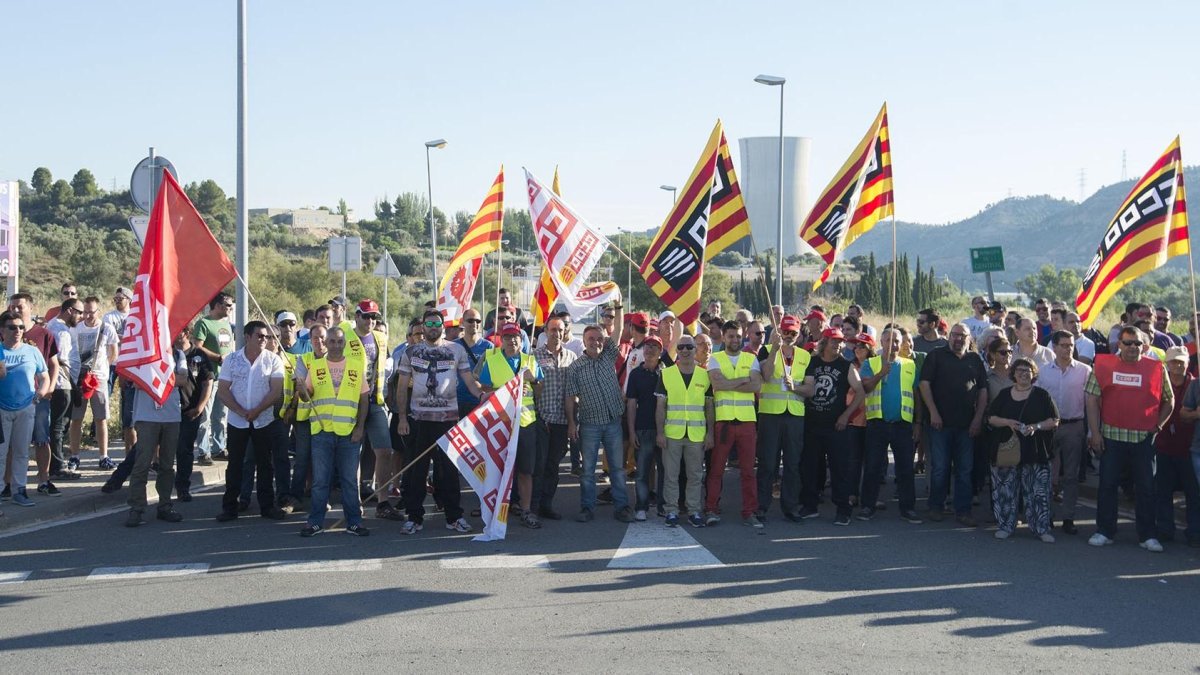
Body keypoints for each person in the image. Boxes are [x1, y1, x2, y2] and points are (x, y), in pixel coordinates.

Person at [394, 310, 482, 534]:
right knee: (415, 471)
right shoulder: (411, 351)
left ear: (443, 326)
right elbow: (402, 386)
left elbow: (469, 382)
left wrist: (483, 396)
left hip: (448, 420)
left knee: (449, 472)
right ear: (422, 327)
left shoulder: (456, 350)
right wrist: (402, 417)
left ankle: (454, 517)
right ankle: (414, 517)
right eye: (429, 323)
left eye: (437, 323)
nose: (433, 327)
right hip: (418, 420)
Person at [1086, 326, 1172, 551]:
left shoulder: (1156, 368)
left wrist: (1158, 425)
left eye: (1137, 343)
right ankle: (1104, 531)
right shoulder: (1103, 366)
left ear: (1144, 345)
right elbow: (1092, 400)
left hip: (1143, 439)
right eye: (1128, 343)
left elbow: (1168, 400)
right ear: (1119, 345)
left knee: (1146, 487)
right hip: (1112, 437)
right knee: (1107, 485)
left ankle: (1147, 535)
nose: (1133, 347)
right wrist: (1095, 433)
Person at [298, 326, 370, 537]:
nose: (336, 345)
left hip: (349, 432)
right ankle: (315, 523)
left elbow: (363, 399)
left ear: (345, 344)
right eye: (332, 341)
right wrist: (301, 389)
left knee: (349, 481)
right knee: (321, 481)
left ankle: (354, 522)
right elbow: (306, 396)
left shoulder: (356, 366)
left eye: (340, 341)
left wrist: (360, 427)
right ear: (325, 343)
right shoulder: (316, 366)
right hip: (322, 431)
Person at [565, 302, 632, 523]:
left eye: (599, 338)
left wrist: (619, 306)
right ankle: (587, 508)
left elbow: (620, 330)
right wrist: (572, 424)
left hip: (613, 421)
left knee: (617, 469)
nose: (596, 342)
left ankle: (622, 507)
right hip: (590, 424)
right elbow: (570, 397)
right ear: (584, 341)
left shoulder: (608, 356)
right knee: (588, 471)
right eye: (591, 339)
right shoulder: (575, 367)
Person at [214, 321, 288, 522]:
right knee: (236, 465)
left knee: (265, 465)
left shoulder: (273, 360)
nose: (265, 340)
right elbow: (222, 391)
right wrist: (240, 411)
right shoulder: (231, 360)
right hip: (238, 422)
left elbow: (275, 391)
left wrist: (256, 411)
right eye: (260, 336)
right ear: (247, 337)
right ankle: (230, 507)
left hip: (263, 421)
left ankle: (267, 506)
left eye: (267, 336)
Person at [919, 323, 988, 526]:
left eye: (962, 335)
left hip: (967, 425)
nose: (958, 338)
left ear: (969, 339)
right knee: (940, 468)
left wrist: (977, 418)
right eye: (955, 334)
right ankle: (936, 507)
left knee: (965, 470)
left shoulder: (975, 359)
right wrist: (933, 412)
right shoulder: (936, 356)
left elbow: (983, 390)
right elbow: (924, 384)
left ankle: (963, 511)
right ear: (949, 336)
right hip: (939, 423)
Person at [985, 357, 1060, 541]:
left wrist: (1036, 427)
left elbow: (1054, 420)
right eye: (1019, 370)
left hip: (1035, 449)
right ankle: (1005, 526)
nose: (1024, 374)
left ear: (1034, 374)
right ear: (1013, 374)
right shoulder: (1004, 394)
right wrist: (1008, 423)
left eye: (1027, 370)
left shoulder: (1042, 395)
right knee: (1005, 490)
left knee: (1038, 492)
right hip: (1008, 449)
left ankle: (1041, 529)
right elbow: (991, 418)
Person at [478, 322, 544, 528]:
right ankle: (496, 508)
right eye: (507, 337)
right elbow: (485, 390)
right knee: (498, 469)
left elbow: (540, 392)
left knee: (526, 470)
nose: (512, 340)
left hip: (526, 423)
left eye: (516, 336)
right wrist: (508, 391)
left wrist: (533, 381)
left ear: (521, 338)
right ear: (501, 340)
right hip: (500, 422)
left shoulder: (530, 360)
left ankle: (525, 510)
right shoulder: (492, 360)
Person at [800, 327, 865, 525]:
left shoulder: (847, 366)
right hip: (811, 424)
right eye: (833, 341)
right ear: (824, 343)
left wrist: (846, 415)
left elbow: (860, 392)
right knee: (809, 467)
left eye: (839, 341)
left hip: (837, 426)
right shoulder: (812, 362)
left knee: (840, 469)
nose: (837, 345)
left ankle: (843, 509)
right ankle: (810, 506)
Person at [859, 328, 923, 523]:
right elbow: (866, 387)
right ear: (881, 342)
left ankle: (908, 508)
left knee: (905, 468)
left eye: (896, 341)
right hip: (877, 423)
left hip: (902, 424)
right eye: (888, 340)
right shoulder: (870, 363)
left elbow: (917, 395)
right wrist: (880, 374)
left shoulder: (910, 365)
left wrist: (918, 422)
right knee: (872, 467)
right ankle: (867, 506)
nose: (893, 344)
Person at [7, 294, 67, 498]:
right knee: (9, 444)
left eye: (20, 307)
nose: (15, 310)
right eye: (12, 306)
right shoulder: (5, 330)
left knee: (41, 439)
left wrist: (48, 389)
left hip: (36, 397)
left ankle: (43, 480)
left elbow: (53, 364)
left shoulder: (43, 333)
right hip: (9, 399)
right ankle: (8, 484)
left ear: (30, 308)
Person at [123, 338, 187, 528]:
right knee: (142, 463)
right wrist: (167, 378)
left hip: (171, 416)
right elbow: (134, 381)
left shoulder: (177, 354)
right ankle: (136, 508)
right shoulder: (141, 353)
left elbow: (183, 379)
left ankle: (165, 505)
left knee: (167, 465)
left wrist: (154, 378)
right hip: (147, 416)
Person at [707, 320, 764, 528]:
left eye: (738, 336)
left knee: (748, 471)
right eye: (731, 336)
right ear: (723, 337)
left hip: (747, 421)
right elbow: (717, 384)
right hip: (724, 423)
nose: (735, 339)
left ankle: (749, 511)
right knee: (716, 469)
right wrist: (742, 380)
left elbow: (756, 385)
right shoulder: (715, 358)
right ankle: (711, 509)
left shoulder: (751, 358)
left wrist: (730, 384)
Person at [756, 315, 813, 522]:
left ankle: (790, 506)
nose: (789, 336)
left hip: (795, 415)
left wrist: (795, 387)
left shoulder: (805, 356)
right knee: (767, 463)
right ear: (779, 332)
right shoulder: (766, 350)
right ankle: (761, 506)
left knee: (792, 463)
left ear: (799, 335)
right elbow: (766, 375)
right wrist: (773, 349)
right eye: (785, 332)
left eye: (793, 333)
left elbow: (810, 388)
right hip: (771, 413)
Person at [656, 334, 713, 528]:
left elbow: (709, 407)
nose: (685, 351)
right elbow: (660, 407)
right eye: (681, 348)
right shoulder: (666, 374)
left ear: (695, 349)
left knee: (695, 475)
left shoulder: (705, 375)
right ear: (677, 351)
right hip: (672, 433)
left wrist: (710, 433)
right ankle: (671, 511)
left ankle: (694, 511)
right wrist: (660, 433)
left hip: (696, 435)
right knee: (671, 475)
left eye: (689, 347)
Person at [1037, 330, 1090, 535]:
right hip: (1048, 427)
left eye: (1071, 345)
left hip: (1073, 426)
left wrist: (1090, 432)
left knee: (1071, 475)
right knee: (1048, 475)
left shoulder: (1085, 371)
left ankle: (1068, 517)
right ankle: (1047, 515)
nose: (1068, 348)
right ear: (1054, 346)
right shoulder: (1042, 371)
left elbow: (1091, 403)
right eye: (1064, 345)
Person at [0, 311, 51, 508]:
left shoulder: (32, 351)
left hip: (26, 408)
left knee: (22, 452)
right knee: (1, 453)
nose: (18, 331)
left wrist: (39, 395)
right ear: (2, 330)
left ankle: (19, 490)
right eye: (12, 327)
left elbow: (44, 376)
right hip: (2, 409)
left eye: (21, 327)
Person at [345, 299, 393, 505]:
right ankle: (352, 501)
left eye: (374, 317)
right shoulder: (344, 337)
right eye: (366, 316)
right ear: (356, 316)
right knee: (352, 453)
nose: (371, 321)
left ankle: (383, 500)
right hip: (350, 403)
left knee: (384, 450)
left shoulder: (381, 338)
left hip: (375, 401)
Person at [533, 315, 578, 516]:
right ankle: (531, 505)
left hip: (561, 419)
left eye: (560, 330)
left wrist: (571, 423)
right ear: (545, 332)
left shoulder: (571, 358)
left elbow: (573, 393)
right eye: (553, 330)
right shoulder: (534, 356)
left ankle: (546, 504)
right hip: (541, 418)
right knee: (539, 463)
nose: (557, 334)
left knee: (553, 464)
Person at [68, 296, 118, 470]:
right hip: (79, 378)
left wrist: (104, 370)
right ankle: (74, 456)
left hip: (99, 378)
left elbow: (113, 352)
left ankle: (104, 456)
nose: (88, 316)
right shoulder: (75, 329)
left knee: (101, 418)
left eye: (92, 312)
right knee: (76, 419)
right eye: (86, 312)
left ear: (99, 311)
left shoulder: (107, 328)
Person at [1157, 347, 1199, 547]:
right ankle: (1165, 529)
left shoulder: (1196, 385)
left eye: (1181, 361)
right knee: (1163, 491)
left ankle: (1194, 532)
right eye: (1173, 361)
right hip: (1164, 445)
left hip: (1189, 447)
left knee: (1193, 493)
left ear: (1187, 363)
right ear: (1167, 363)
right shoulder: (1159, 384)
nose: (1177, 365)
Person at [193, 293, 235, 463]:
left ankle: (219, 448)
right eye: (228, 305)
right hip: (208, 377)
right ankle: (203, 451)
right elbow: (197, 346)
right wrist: (216, 357)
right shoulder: (203, 323)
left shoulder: (226, 324)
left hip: (224, 377)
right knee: (205, 414)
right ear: (217, 305)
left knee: (220, 415)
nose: (230, 308)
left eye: (231, 305)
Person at [626, 335, 664, 522]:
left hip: (665, 430)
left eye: (654, 347)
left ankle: (664, 506)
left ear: (661, 352)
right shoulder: (635, 374)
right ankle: (641, 506)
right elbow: (631, 404)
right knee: (641, 471)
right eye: (647, 346)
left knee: (665, 470)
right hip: (643, 429)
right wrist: (632, 432)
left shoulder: (667, 373)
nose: (649, 350)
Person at [46, 297, 82, 477]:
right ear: (70, 310)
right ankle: (57, 467)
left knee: (60, 425)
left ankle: (55, 464)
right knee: (59, 426)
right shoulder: (60, 331)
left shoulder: (56, 326)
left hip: (64, 382)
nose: (81, 316)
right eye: (79, 312)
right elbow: (59, 360)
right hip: (62, 383)